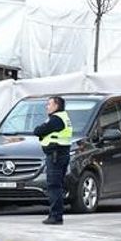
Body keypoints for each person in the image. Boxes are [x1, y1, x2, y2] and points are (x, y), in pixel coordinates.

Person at [33, 96, 72, 225]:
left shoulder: (56, 119)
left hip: (56, 155)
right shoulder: (63, 117)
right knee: (57, 186)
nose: (47, 106)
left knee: (54, 186)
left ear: (56, 106)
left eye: (49, 104)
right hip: (61, 154)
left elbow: (38, 131)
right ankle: (56, 215)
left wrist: (42, 130)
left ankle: (55, 216)